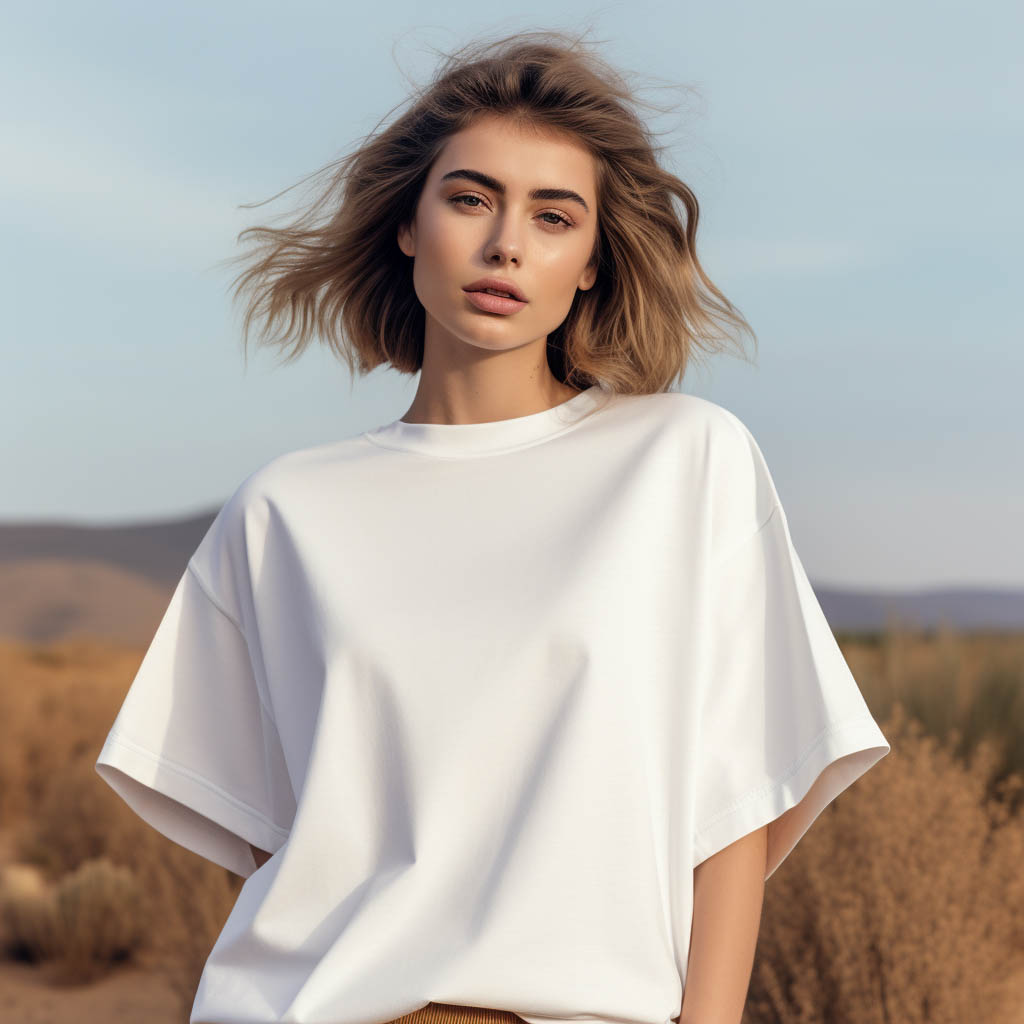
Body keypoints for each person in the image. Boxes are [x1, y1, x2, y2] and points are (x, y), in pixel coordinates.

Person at [94, 28, 890, 1024]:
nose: (505, 241)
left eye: (553, 216)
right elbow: (275, 843)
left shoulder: (683, 461)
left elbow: (734, 804)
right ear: (407, 225)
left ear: (592, 260)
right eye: (470, 198)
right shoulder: (284, 509)